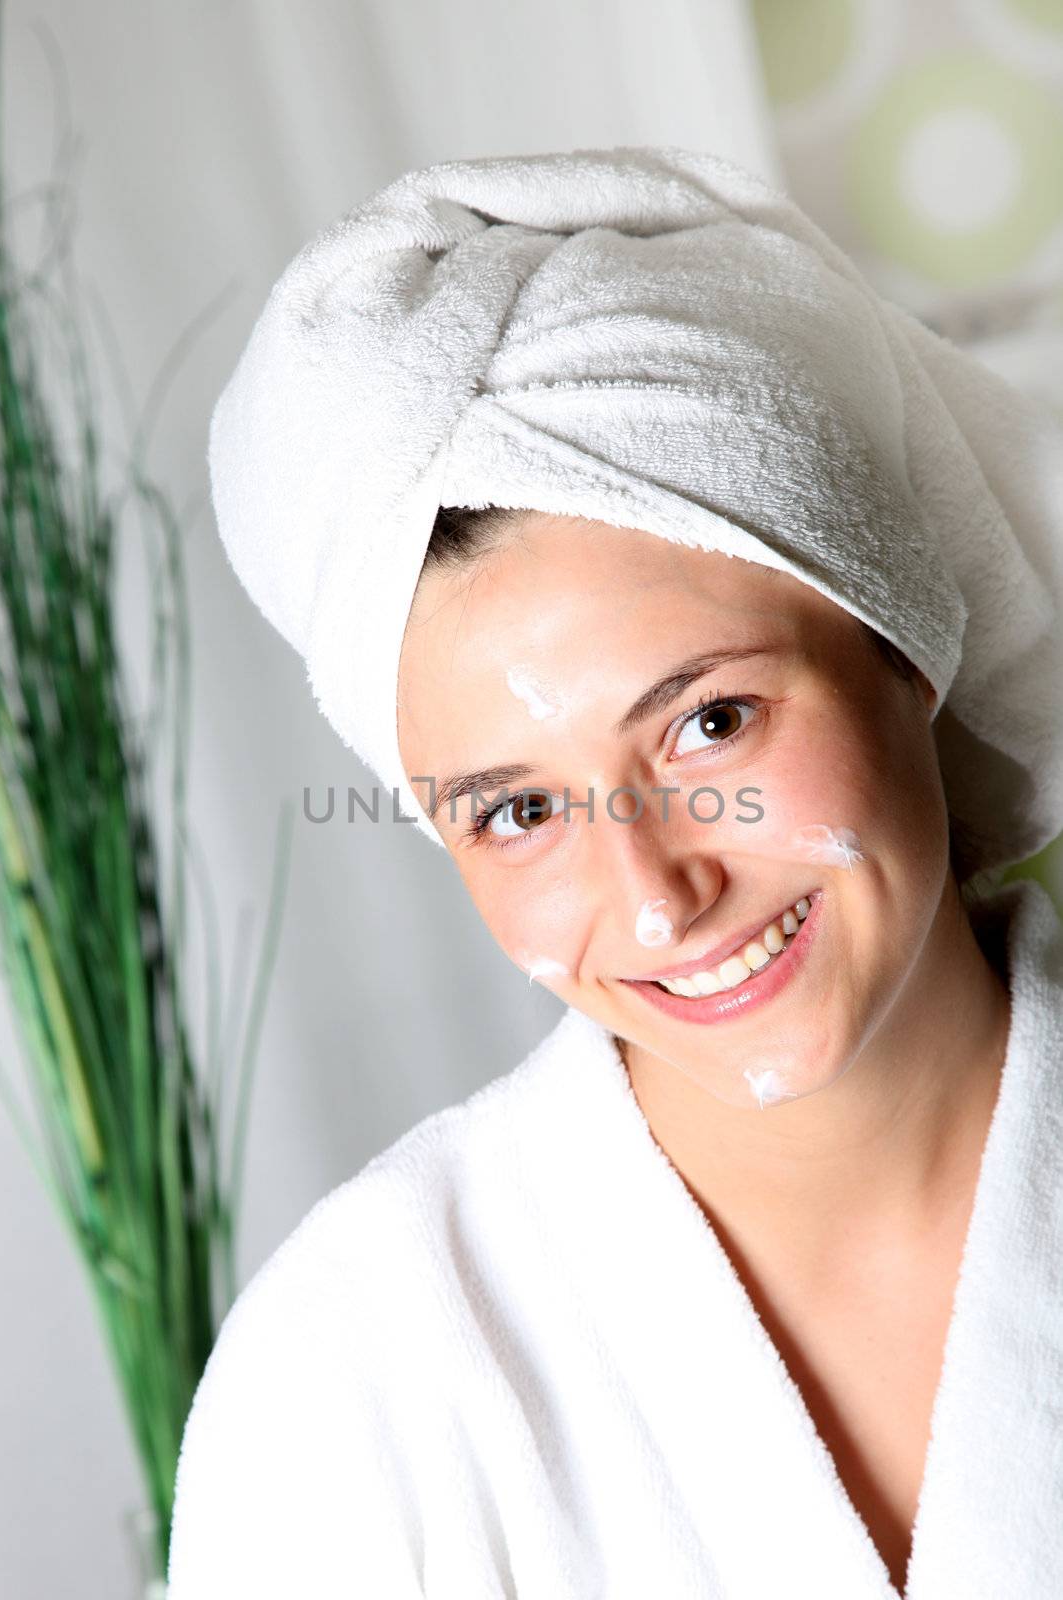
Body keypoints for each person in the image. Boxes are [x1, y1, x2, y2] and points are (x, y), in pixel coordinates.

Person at [166, 147, 1063, 1599]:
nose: (655, 895)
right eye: (516, 812)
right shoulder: (348, 1382)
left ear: (904, 640)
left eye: (712, 719)